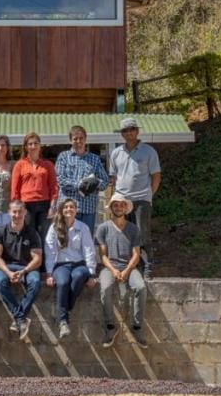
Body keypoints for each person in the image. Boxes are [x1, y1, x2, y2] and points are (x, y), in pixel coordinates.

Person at [109, 117, 162, 280]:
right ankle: (130, 265)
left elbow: (156, 176)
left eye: (132, 129)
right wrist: (113, 199)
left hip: (141, 200)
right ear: (122, 134)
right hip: (121, 201)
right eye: (125, 130)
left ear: (137, 131)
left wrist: (148, 195)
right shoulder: (116, 153)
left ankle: (147, 264)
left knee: (142, 232)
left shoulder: (149, 151)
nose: (129, 133)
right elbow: (113, 178)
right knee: (124, 233)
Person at [96, 194, 148, 349]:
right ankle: (110, 326)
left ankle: (137, 327)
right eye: (116, 205)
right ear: (111, 208)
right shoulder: (103, 228)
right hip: (109, 267)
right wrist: (113, 270)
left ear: (126, 208)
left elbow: (136, 255)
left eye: (122, 205)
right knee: (105, 288)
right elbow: (103, 256)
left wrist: (126, 271)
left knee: (141, 287)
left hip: (129, 267)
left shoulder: (133, 229)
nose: (119, 208)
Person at [44, 198, 97, 338]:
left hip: (79, 264)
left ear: (76, 210)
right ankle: (63, 322)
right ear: (61, 209)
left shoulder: (83, 227)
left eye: (71, 207)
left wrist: (91, 273)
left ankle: (64, 310)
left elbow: (89, 250)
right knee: (62, 282)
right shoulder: (55, 227)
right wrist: (49, 273)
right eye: (66, 207)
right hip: (61, 265)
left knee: (80, 276)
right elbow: (50, 251)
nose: (69, 209)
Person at [0, 199, 43, 341]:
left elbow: (37, 259)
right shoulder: (0, 232)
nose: (17, 214)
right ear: (9, 213)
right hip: (6, 267)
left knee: (35, 282)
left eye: (20, 211)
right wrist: (9, 273)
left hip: (26, 267)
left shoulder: (32, 233)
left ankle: (18, 318)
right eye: (14, 211)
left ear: (25, 212)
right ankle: (21, 318)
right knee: (0, 281)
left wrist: (24, 271)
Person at [54, 125, 109, 234]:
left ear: (85, 139)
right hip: (67, 209)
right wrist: (80, 185)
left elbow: (105, 182)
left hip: (88, 209)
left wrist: (94, 183)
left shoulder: (95, 159)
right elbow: (60, 180)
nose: (78, 141)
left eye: (81, 138)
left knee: (86, 242)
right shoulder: (63, 157)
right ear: (70, 140)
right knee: (65, 241)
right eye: (75, 139)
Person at [11, 131, 58, 240]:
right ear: (26, 147)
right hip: (26, 205)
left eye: (36, 143)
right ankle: (30, 257)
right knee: (28, 236)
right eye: (30, 144)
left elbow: (54, 188)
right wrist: (17, 208)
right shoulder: (19, 165)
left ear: (40, 146)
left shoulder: (48, 165)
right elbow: (15, 189)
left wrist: (52, 207)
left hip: (44, 205)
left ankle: (44, 257)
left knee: (45, 236)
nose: (33, 146)